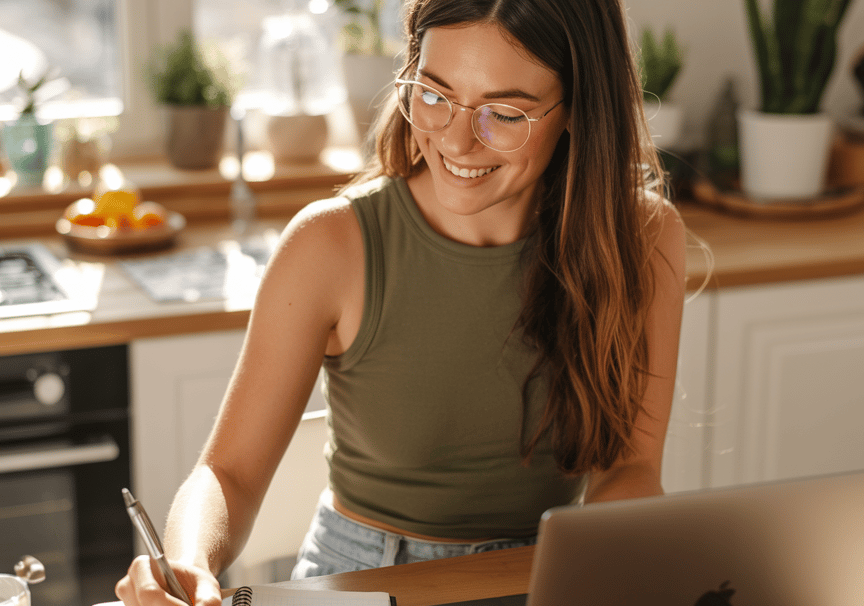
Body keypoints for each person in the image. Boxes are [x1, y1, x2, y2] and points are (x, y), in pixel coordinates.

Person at [116, 0, 686, 603]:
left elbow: (630, 468)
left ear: (578, 107)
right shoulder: (331, 244)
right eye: (434, 94)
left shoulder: (644, 240)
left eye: (503, 112)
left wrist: (608, 563)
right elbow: (228, 475)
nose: (458, 141)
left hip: (540, 573)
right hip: (361, 581)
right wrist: (184, 560)